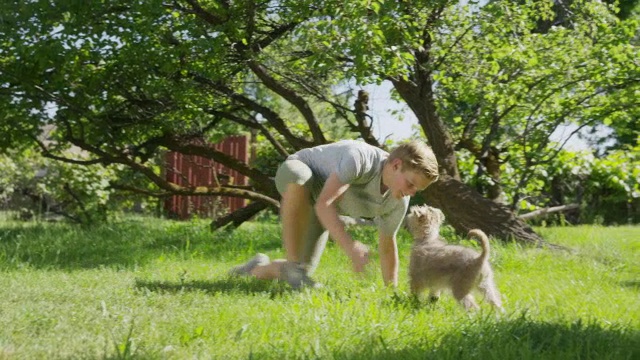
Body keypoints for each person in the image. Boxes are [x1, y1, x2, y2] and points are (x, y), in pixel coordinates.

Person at [229, 139, 439, 289]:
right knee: (300, 176)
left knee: (303, 273)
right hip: (299, 174)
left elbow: (387, 244)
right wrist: (351, 247)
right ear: (396, 165)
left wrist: (390, 291)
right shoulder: (360, 159)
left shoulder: (398, 199)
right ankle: (293, 265)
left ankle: (254, 269)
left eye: (416, 190)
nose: (411, 192)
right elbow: (324, 203)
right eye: (410, 183)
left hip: (321, 208)